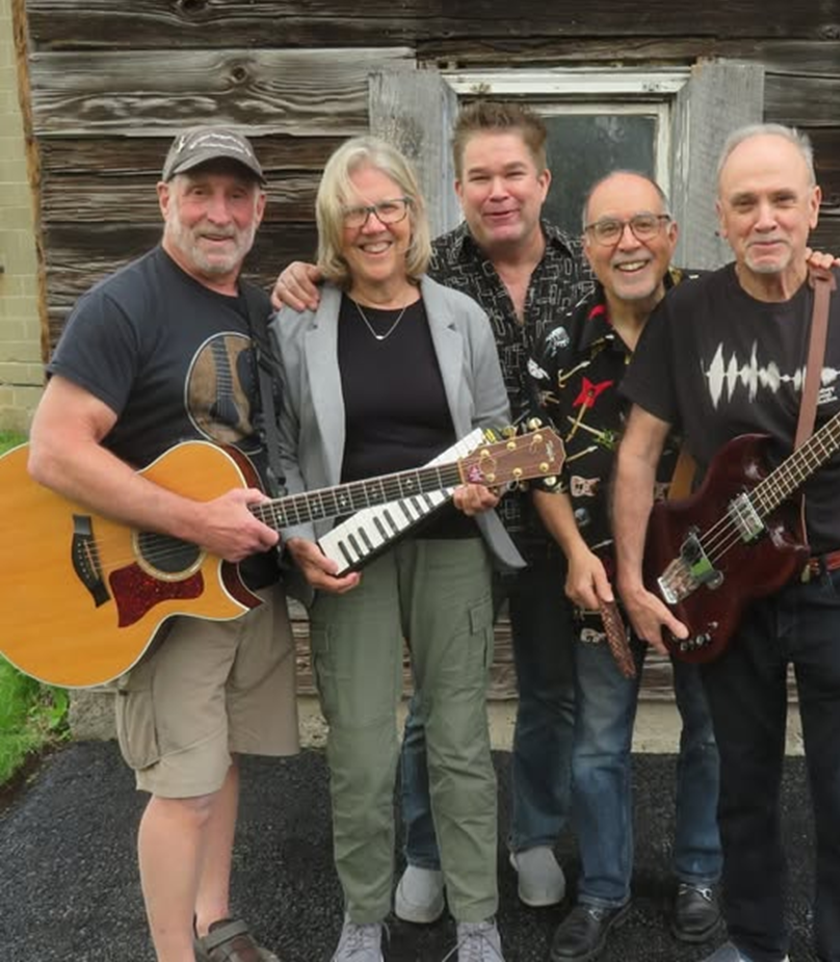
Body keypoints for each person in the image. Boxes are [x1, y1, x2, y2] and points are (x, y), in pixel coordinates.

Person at [612, 123, 840, 963]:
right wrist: (631, 580)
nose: (764, 218)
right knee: (743, 790)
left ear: (813, 207)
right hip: (730, 583)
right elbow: (639, 452)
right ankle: (757, 942)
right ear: (720, 217)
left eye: (780, 199)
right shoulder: (688, 312)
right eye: (744, 203)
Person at [272, 101, 592, 916]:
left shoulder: (491, 300)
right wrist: (299, 536)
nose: (373, 225)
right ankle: (384, 894)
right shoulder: (305, 314)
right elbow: (281, 447)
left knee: (482, 725)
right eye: (355, 211)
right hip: (358, 550)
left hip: (487, 533)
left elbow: (493, 428)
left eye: (388, 207)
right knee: (375, 743)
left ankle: (497, 890)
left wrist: (491, 480)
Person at [27, 126, 299, 962]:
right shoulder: (123, 305)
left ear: (259, 208)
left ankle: (215, 923)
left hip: (243, 582)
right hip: (158, 592)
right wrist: (194, 522)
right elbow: (53, 450)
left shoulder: (258, 307)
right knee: (182, 788)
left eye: (235, 195)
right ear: (164, 200)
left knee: (221, 763)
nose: (218, 213)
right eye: (199, 192)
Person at [528, 170, 724, 961]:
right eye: (607, 229)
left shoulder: (718, 313)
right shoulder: (557, 342)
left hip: (711, 570)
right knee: (597, 743)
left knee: (709, 733)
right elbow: (537, 463)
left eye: (643, 224)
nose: (628, 242)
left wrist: (819, 267)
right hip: (601, 577)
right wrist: (575, 552)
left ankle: (701, 875)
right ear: (585, 247)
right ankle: (602, 888)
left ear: (672, 234)